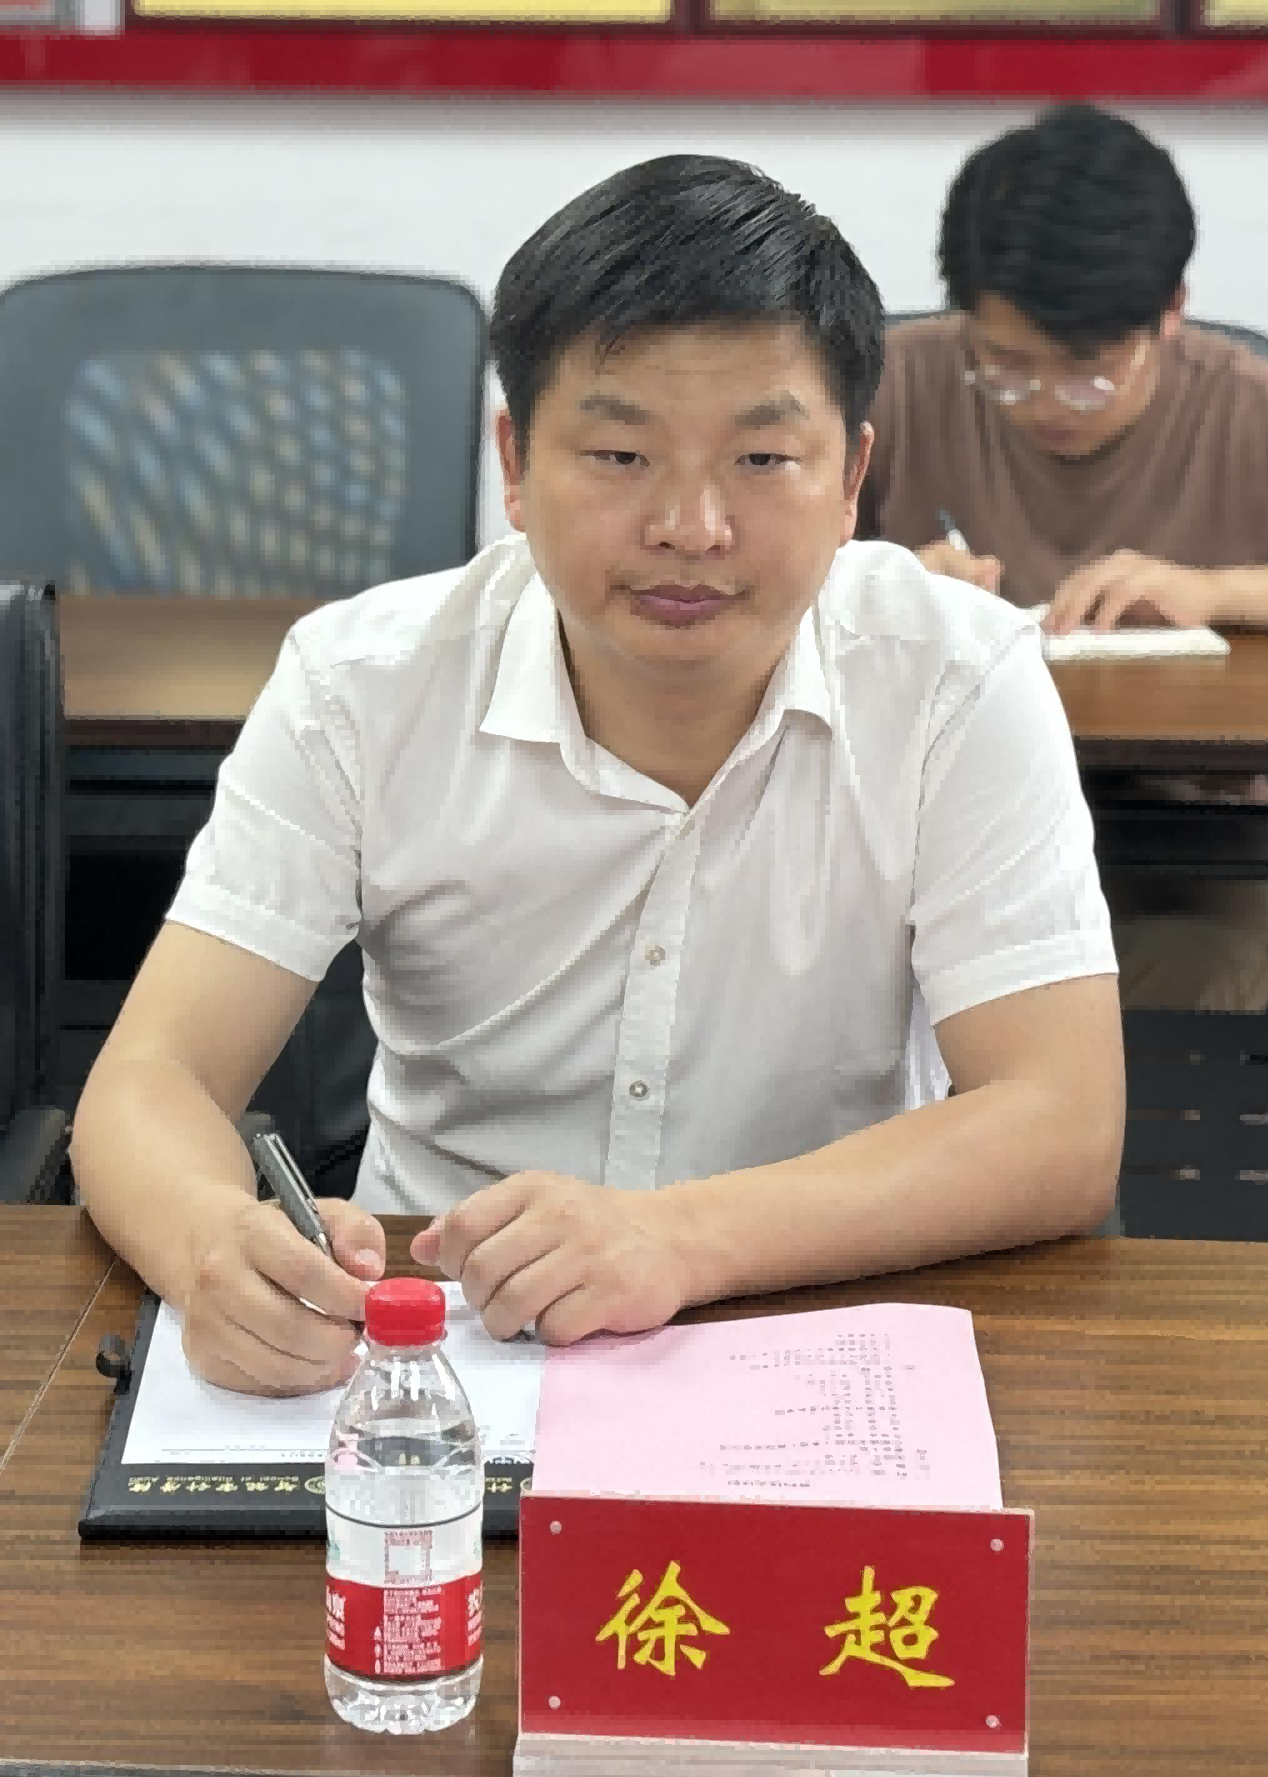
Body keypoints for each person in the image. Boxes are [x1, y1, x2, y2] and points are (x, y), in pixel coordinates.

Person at [70, 155, 1122, 1398]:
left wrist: (678, 1238)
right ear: (513, 463)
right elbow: (152, 1080)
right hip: (437, 1350)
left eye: (760, 460)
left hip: (815, 1329)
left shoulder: (952, 678)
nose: (690, 526)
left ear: (849, 480)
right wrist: (213, 1247)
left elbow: (1058, 1119)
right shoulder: (363, 685)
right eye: (620, 456)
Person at [857, 101, 1268, 1014]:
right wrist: (883, 582)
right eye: (1005, 365)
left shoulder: (1245, 407)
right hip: (933, 833)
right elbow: (758, 582)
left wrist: (1216, 590)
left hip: (1187, 840)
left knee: (1220, 971)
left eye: (1087, 369)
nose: (1044, 400)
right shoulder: (891, 384)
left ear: (1171, 311)